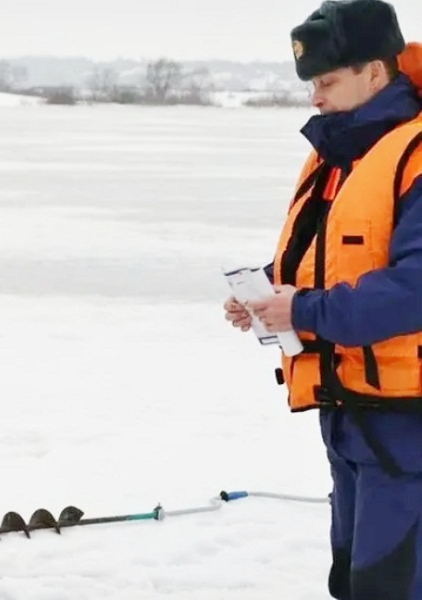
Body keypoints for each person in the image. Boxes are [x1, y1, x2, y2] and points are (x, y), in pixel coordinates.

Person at [224, 1, 422, 598]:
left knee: (392, 583)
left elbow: (415, 287)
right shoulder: (336, 157)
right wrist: (266, 293)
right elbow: (327, 261)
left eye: (328, 82)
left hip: (408, 422)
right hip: (349, 411)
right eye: (312, 83)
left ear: (375, 73)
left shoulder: (414, 155)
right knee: (355, 580)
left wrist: (304, 310)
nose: (315, 96)